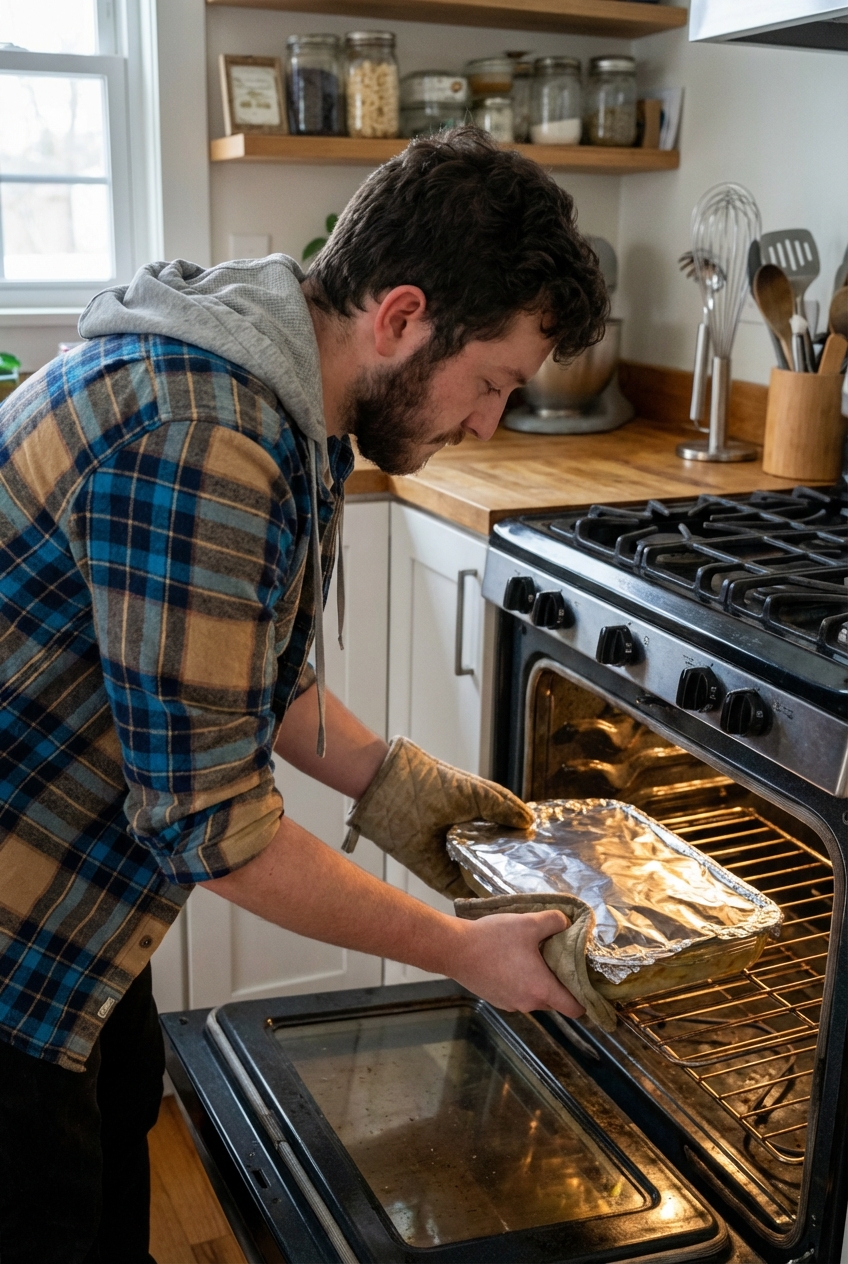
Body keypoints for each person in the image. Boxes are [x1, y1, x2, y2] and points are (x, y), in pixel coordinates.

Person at [0, 127, 607, 1263]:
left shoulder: (283, 394)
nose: (485, 424)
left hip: (77, 903)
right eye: (489, 384)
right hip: (17, 921)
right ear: (399, 318)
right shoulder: (207, 437)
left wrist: (406, 790)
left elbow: (244, 676)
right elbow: (211, 830)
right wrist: (460, 947)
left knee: (114, 1135)